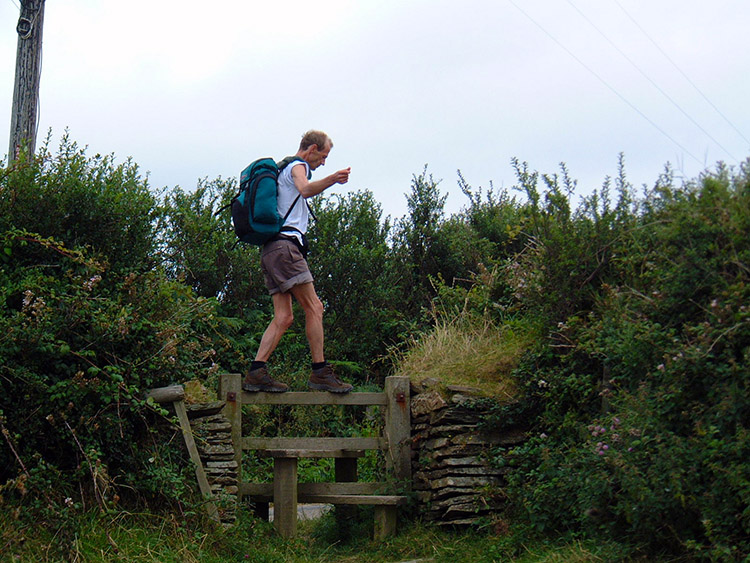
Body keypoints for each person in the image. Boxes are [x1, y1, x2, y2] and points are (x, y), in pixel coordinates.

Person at [242, 130, 353, 394]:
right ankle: (320, 372)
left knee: (284, 316)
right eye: (323, 156)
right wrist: (333, 179)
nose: (323, 162)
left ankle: (257, 371)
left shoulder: (282, 171)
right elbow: (305, 189)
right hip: (286, 248)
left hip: (270, 250)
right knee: (315, 307)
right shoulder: (297, 165)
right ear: (312, 148)